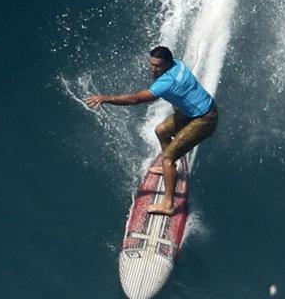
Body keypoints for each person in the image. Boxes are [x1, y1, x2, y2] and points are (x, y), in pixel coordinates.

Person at [85, 46, 219, 213]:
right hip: (194, 110)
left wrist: (106, 98)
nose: (153, 69)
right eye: (152, 64)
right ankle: (169, 168)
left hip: (204, 119)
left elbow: (135, 99)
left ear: (168, 64)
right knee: (161, 131)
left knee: (168, 158)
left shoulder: (166, 83)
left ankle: (168, 204)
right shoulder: (178, 64)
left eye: (158, 66)